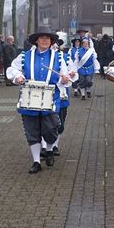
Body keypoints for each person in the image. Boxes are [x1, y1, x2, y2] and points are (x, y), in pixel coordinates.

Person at [6, 26, 73, 173]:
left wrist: (64, 79)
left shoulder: (59, 57)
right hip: (29, 98)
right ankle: (36, 161)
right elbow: (12, 69)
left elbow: (65, 78)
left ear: (51, 41)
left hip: (51, 98)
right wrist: (17, 76)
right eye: (42, 38)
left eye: (47, 38)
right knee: (32, 130)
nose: (45, 40)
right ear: (36, 40)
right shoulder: (24, 56)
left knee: (51, 128)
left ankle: (49, 149)